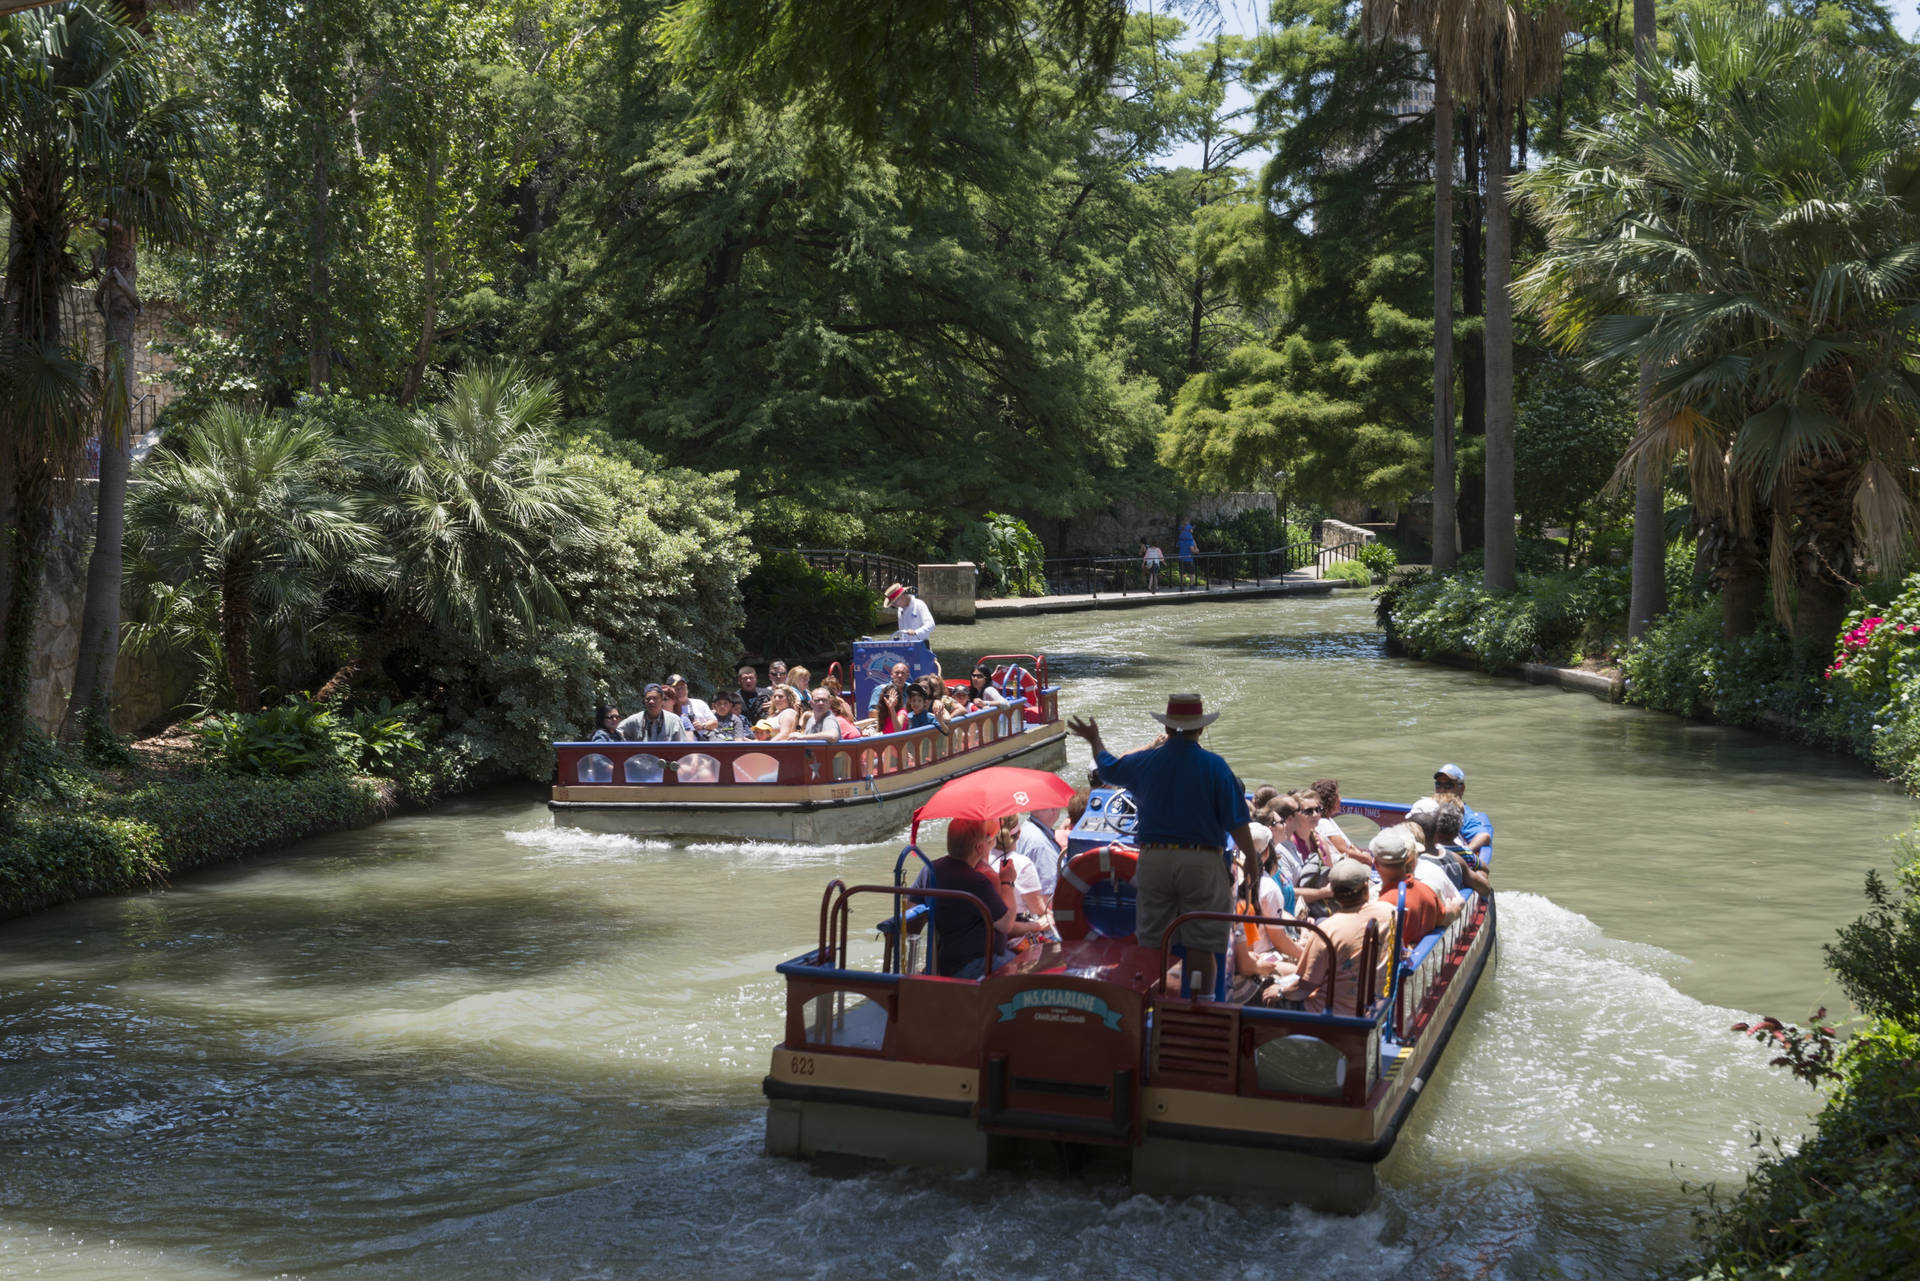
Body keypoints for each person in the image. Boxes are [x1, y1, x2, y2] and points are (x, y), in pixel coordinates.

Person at [1066, 693, 1257, 999]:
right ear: (1200, 729)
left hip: (1154, 859)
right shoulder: (1216, 766)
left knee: (1152, 940)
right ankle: (1201, 1006)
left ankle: (1150, 1003)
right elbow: (1237, 821)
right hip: (1201, 863)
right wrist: (1254, 863)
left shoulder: (1144, 762)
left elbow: (1108, 769)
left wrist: (1095, 739)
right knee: (1202, 942)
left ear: (1166, 729)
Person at [919, 817, 1050, 978]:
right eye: (988, 838)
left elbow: (912, 907)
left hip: (946, 959)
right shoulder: (977, 881)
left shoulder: (931, 869)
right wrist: (1007, 881)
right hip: (979, 963)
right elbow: (1006, 925)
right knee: (1035, 973)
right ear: (980, 848)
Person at [1287, 860, 1395, 1014]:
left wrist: (1279, 992)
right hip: (1378, 1005)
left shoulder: (1326, 930)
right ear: (1366, 889)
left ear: (1334, 894)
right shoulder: (1390, 912)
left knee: (1271, 999)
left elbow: (1303, 988)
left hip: (1332, 1014)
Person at [1371, 826, 1441, 943]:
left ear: (1376, 863)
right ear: (1409, 861)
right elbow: (1445, 917)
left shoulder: (1376, 902)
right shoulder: (1429, 891)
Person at [990, 818, 1052, 921]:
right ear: (1019, 833)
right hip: (1018, 931)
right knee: (1070, 916)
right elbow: (1039, 910)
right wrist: (1067, 915)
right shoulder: (1022, 864)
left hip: (990, 926)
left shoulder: (982, 858)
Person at [1432, 763, 1493, 854]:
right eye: (1438, 784)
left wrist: (1464, 853)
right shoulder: (1429, 805)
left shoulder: (1462, 813)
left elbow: (1484, 836)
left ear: (1462, 788)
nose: (1442, 790)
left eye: (1448, 785)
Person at [1308, 778, 1368, 864]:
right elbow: (1343, 851)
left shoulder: (1327, 820)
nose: (1340, 799)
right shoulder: (1324, 823)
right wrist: (1366, 858)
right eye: (1337, 796)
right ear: (1330, 800)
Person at [1014, 806, 1064, 901]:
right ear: (1053, 809)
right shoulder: (1042, 845)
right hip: (1043, 911)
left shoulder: (1026, 827)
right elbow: (1048, 896)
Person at [617, 684, 689, 742]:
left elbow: (682, 746)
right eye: (648, 699)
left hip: (666, 759)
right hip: (641, 759)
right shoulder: (635, 720)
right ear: (644, 701)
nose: (651, 702)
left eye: (655, 698)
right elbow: (617, 732)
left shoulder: (674, 721)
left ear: (661, 700)